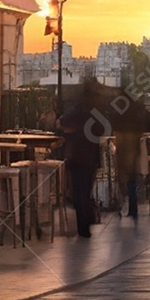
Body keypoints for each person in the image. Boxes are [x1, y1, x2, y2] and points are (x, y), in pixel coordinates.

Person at [60, 83, 104, 238]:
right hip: (90, 158)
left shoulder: (74, 111)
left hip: (76, 157)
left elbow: (63, 123)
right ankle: (85, 223)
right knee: (85, 190)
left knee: (78, 191)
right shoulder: (95, 113)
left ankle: (83, 224)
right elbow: (101, 130)